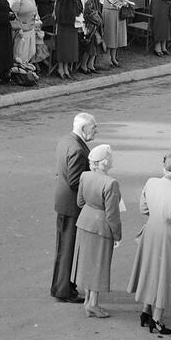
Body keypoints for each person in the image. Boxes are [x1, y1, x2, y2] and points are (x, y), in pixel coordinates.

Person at [72, 144, 122, 319]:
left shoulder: (85, 176)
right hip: (101, 228)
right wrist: (117, 235)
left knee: (87, 263)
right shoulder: (111, 183)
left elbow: (80, 202)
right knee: (99, 265)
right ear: (104, 162)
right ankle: (93, 303)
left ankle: (89, 301)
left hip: (85, 222)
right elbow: (112, 215)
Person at [51, 112, 96, 302]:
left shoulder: (66, 140)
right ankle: (63, 290)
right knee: (68, 248)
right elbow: (75, 181)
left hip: (63, 202)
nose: (96, 131)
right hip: (71, 205)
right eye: (94, 128)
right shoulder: (78, 149)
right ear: (84, 128)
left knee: (63, 248)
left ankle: (61, 285)